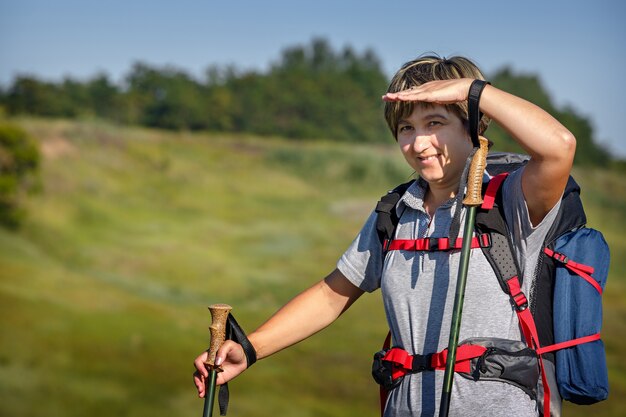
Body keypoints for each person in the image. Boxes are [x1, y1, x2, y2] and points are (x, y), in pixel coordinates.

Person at [193, 55, 576, 416]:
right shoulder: (395, 213)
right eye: (406, 128)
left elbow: (559, 148)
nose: (418, 143)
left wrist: (471, 92)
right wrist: (251, 349)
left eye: (436, 123)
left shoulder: (510, 200)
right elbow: (330, 296)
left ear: (474, 125)